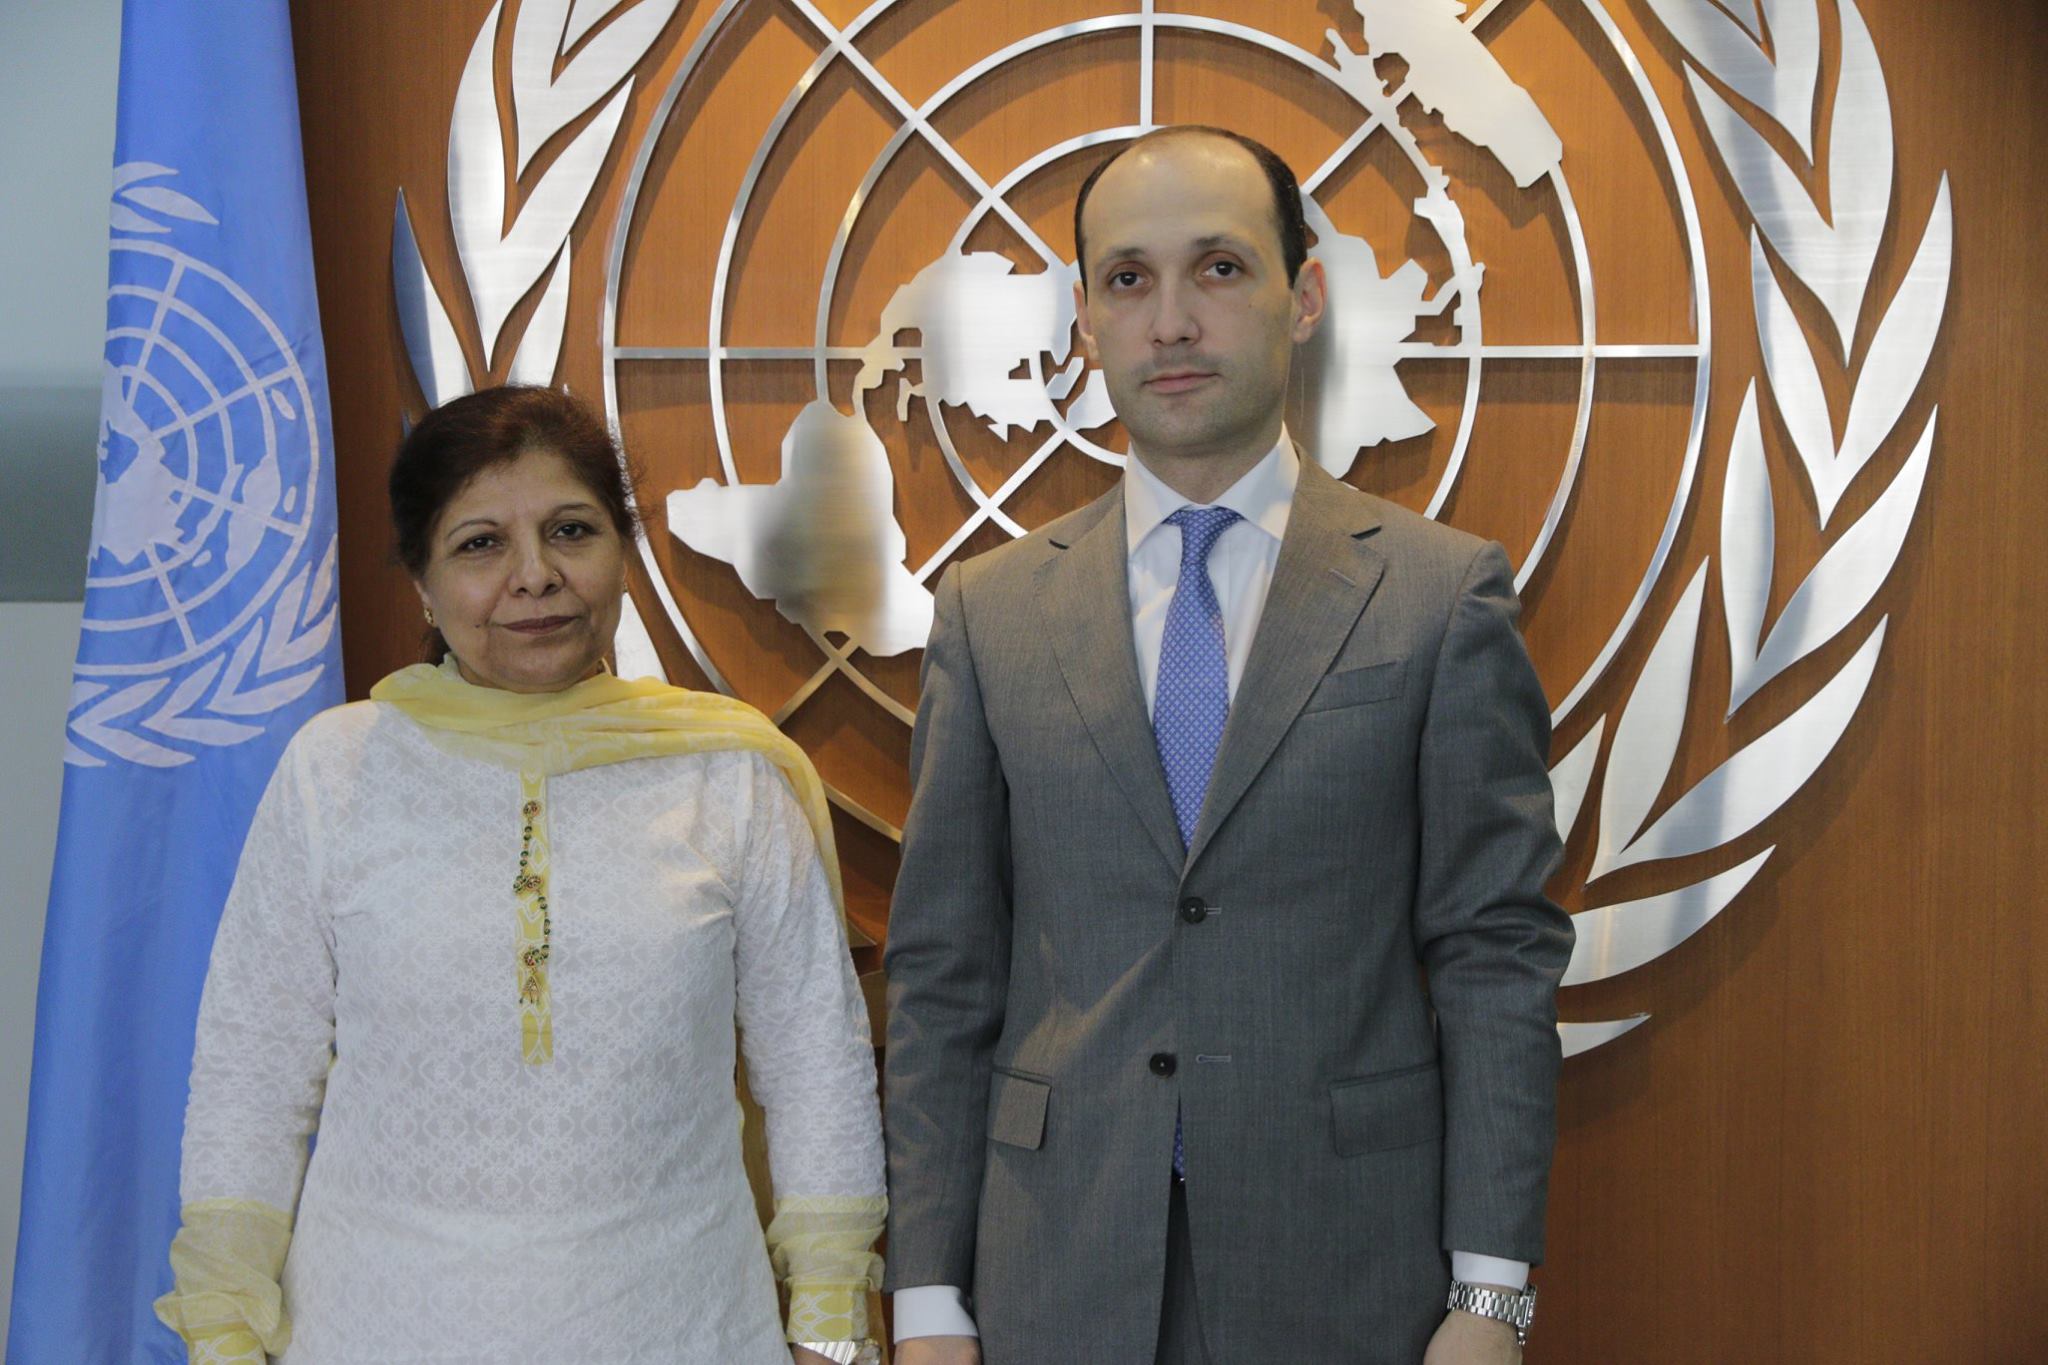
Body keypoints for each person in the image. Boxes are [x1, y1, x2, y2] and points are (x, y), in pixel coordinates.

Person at [881, 127, 1573, 1365]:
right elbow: (944, 973)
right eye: (1126, 280)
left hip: (1349, 1270)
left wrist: (1491, 1296)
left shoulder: (1435, 594)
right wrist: (926, 1298)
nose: (1170, 322)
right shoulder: (990, 612)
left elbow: (1493, 953)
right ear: (1085, 322)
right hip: (1052, 1266)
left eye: (1218, 268)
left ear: (1301, 297)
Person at [152, 386, 885, 1364]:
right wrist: (222, 1324)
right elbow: (252, 1068)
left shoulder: (727, 776)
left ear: (622, 553)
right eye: (480, 544)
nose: (534, 576)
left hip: (681, 1327)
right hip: (375, 1330)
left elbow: (816, 1062)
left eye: (570, 531)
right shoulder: (335, 770)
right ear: (422, 583)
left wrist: (829, 1321)